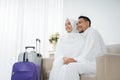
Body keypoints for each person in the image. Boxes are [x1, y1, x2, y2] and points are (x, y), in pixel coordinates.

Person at [49, 16, 107, 80]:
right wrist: (73, 59)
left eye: (80, 23)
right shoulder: (84, 35)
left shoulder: (93, 32)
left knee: (71, 67)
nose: (78, 25)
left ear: (87, 23)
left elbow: (89, 54)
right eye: (77, 24)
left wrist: (75, 60)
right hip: (87, 62)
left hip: (95, 64)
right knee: (65, 68)